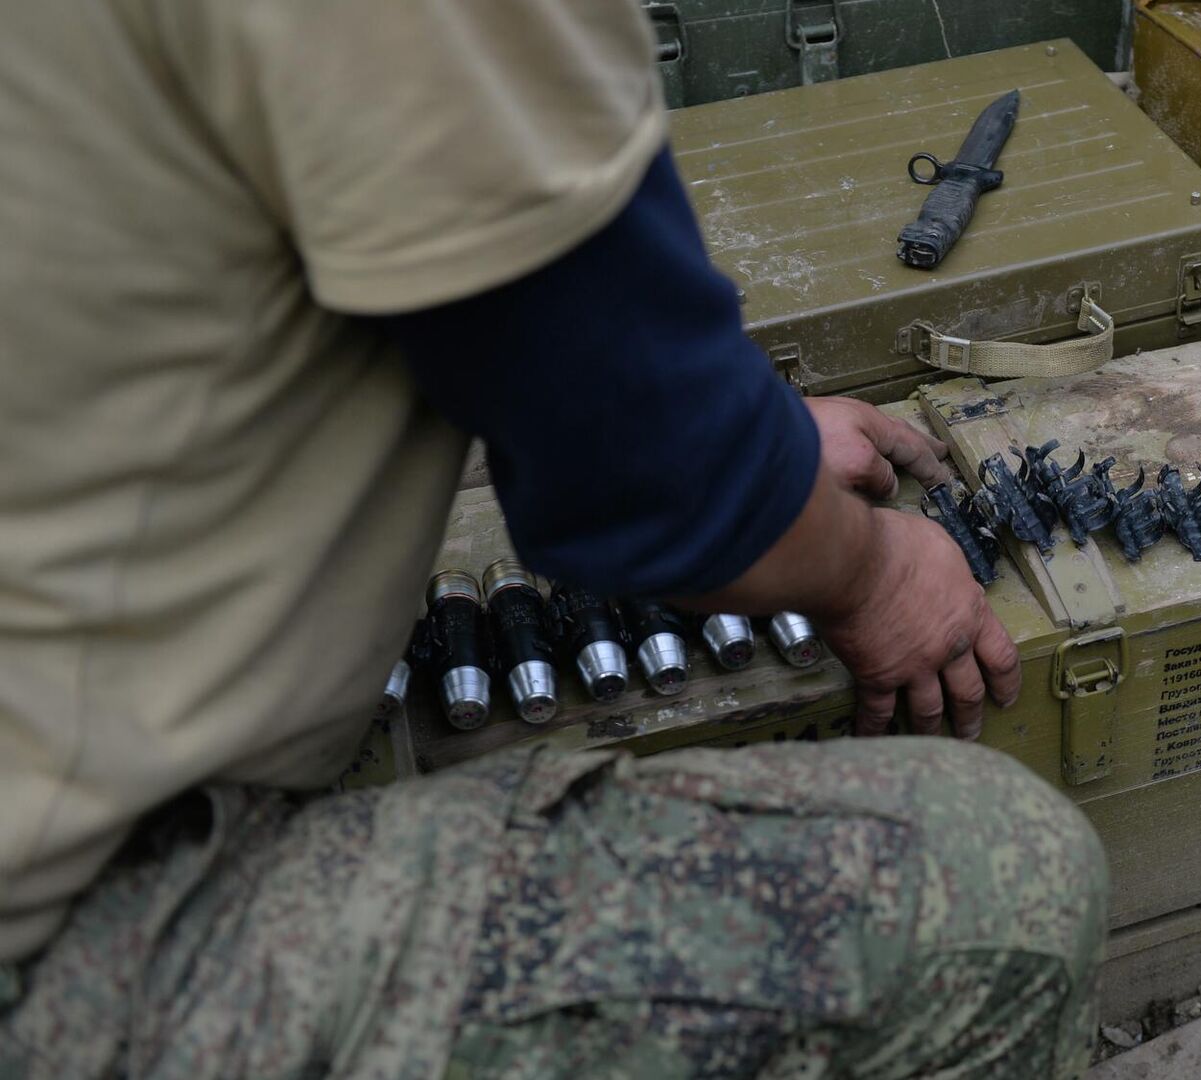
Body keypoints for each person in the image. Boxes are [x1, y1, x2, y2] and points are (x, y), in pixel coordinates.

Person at [0, 2, 1108, 1076]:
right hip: (56, 946)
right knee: (1005, 887)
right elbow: (647, 487)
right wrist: (872, 575)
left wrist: (744, 447)